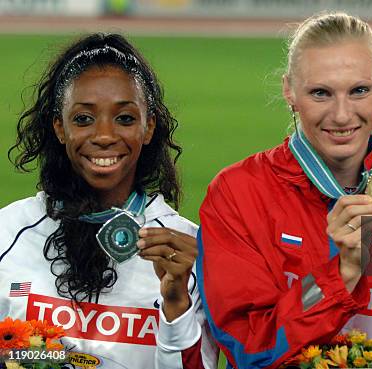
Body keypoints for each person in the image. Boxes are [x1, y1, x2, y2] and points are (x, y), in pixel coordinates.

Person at [192, 12, 372, 369]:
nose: (342, 115)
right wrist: (341, 274)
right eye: (321, 93)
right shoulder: (238, 196)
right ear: (290, 91)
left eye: (359, 90)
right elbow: (251, 348)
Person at [1, 33, 217, 369]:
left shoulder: (186, 253)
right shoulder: (9, 233)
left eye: (125, 118)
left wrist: (176, 304)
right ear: (60, 128)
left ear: (148, 128)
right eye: (83, 119)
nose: (104, 136)